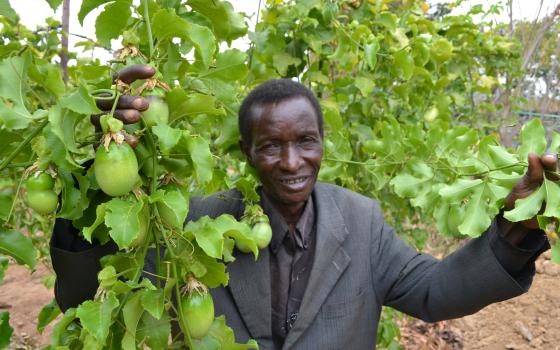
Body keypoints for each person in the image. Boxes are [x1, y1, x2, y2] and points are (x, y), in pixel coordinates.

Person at [51, 67, 554, 350]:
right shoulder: (197, 226)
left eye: (306, 142)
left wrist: (514, 228)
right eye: (271, 146)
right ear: (246, 151)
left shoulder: (361, 221)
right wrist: (96, 181)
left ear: (322, 144)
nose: (292, 162)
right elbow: (84, 294)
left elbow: (434, 292)